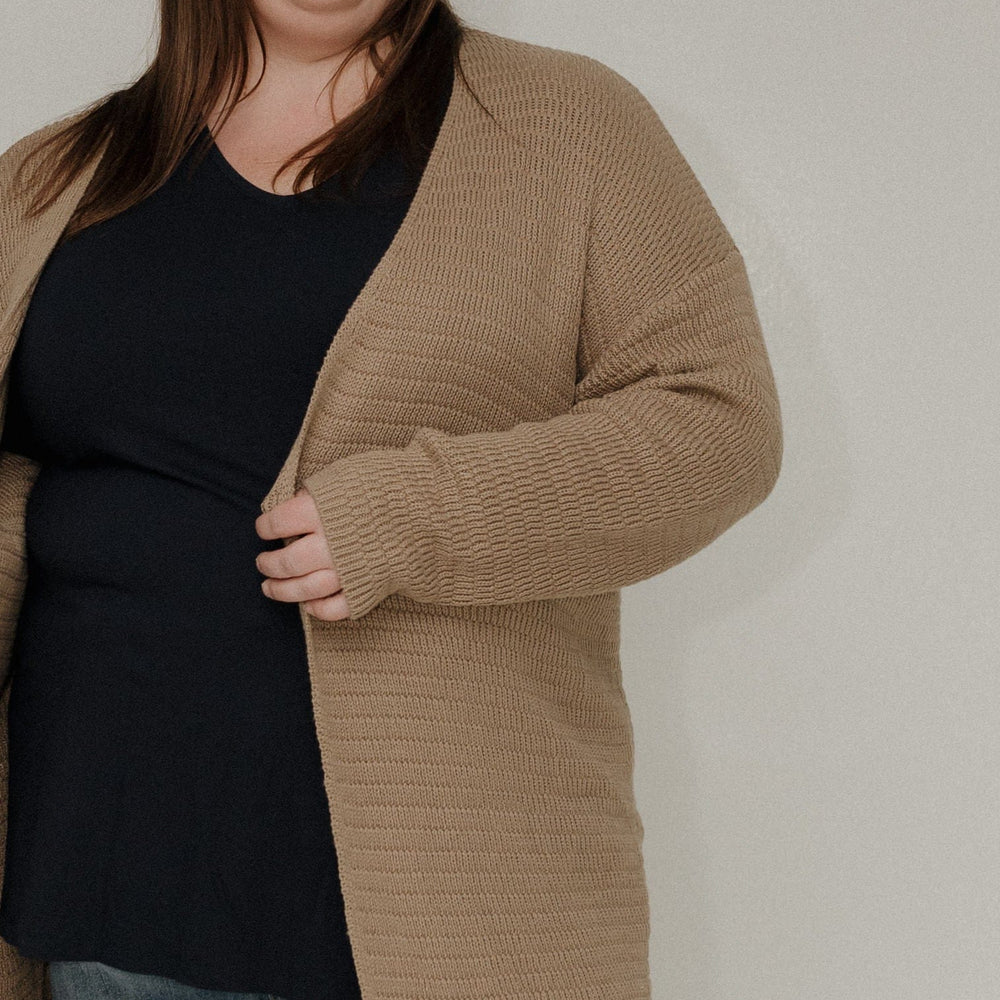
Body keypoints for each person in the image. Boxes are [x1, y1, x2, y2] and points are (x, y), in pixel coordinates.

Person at [0, 2, 784, 1000]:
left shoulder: (565, 126)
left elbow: (715, 421)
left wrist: (419, 516)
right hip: (108, 896)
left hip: (445, 908)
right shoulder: (50, 176)